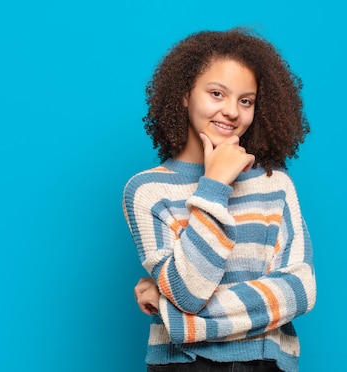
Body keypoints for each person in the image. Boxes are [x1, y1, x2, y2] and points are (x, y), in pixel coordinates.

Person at [122, 27, 316, 372]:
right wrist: (213, 184)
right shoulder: (147, 190)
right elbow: (189, 292)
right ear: (185, 95)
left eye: (246, 101)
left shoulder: (275, 185)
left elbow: (299, 291)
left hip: (266, 363)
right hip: (184, 365)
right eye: (216, 93)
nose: (231, 111)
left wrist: (172, 315)